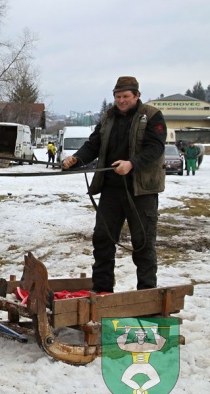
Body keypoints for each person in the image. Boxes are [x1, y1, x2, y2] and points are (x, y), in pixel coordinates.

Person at [62, 76, 166, 293]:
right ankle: (102, 291)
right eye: (117, 96)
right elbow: (93, 145)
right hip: (111, 190)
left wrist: (132, 164)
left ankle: (147, 295)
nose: (121, 101)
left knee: (143, 244)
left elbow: (155, 149)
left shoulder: (153, 116)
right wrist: (76, 159)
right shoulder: (108, 118)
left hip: (141, 191)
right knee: (102, 240)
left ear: (136, 96)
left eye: (125, 96)